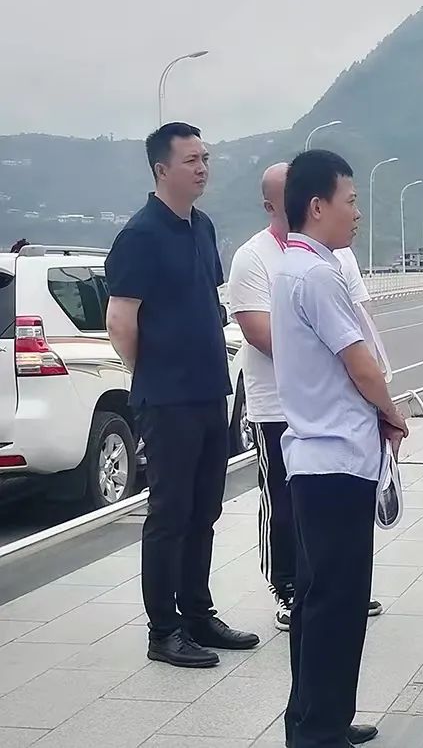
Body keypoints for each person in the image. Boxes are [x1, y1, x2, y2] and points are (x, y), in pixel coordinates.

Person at [105, 122, 259, 669]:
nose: (202, 168)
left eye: (205, 158)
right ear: (161, 169)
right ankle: (163, 630)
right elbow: (120, 321)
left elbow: (205, 300)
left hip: (210, 389)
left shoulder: (202, 225)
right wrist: (153, 373)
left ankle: (197, 613)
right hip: (167, 398)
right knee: (169, 514)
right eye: (191, 160)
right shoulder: (140, 235)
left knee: (204, 510)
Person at [271, 149, 407, 748]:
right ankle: (320, 731)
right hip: (336, 461)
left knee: (317, 598)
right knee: (337, 602)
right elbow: (361, 363)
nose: (357, 213)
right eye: (350, 201)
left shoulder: (296, 267)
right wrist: (391, 411)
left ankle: (313, 718)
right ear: (317, 205)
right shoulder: (318, 275)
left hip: (315, 459)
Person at [228, 163, 383, 635]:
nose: (356, 212)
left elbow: (358, 321)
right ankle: (288, 584)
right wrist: (333, 360)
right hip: (281, 404)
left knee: (329, 534)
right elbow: (261, 330)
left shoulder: (334, 256)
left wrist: (366, 372)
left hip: (334, 411)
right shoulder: (259, 258)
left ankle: (326, 585)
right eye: (349, 201)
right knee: (283, 502)